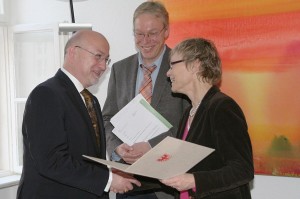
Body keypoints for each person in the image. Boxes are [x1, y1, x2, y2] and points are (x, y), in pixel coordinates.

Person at [16, 30, 141, 199]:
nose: (103, 66)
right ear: (73, 52)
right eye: (98, 56)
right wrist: (108, 180)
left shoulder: (91, 100)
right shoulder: (46, 94)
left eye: (106, 60)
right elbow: (52, 161)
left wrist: (111, 171)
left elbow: (84, 157)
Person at [102, 1, 189, 199]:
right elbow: (107, 118)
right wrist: (116, 147)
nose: (145, 40)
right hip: (128, 181)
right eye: (139, 34)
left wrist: (151, 145)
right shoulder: (119, 69)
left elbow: (189, 124)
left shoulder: (182, 66)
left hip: (167, 184)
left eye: (152, 33)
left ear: (166, 31)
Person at [159, 38, 254, 199]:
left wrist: (194, 180)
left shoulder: (222, 107)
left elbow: (242, 169)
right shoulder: (189, 112)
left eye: (172, 65)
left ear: (195, 65)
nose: (168, 73)